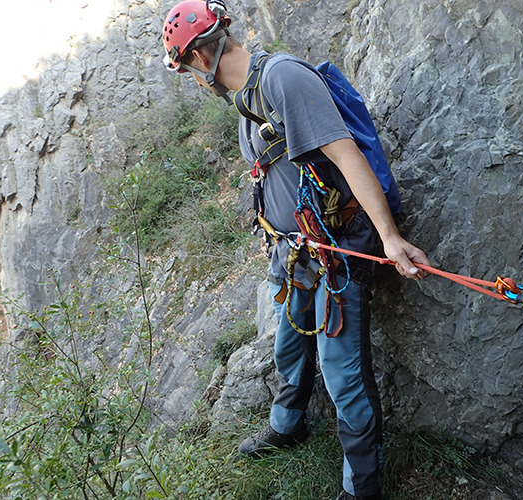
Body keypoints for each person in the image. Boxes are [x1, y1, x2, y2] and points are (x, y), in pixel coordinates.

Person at [162, 2, 430, 499]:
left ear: (200, 57)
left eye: (188, 70)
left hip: (334, 251)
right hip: (292, 251)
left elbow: (346, 156)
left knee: (342, 372)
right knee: (288, 344)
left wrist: (390, 238)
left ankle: (361, 488)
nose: (195, 82)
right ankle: (288, 425)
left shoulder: (283, 79)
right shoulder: (247, 100)